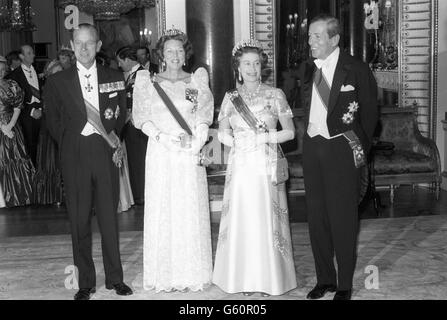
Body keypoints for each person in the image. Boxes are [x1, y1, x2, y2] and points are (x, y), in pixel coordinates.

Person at [43, 23, 133, 300]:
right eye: (78, 43)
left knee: (108, 220)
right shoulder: (58, 81)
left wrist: (112, 137)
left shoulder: (114, 76)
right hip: (75, 155)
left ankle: (115, 279)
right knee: (79, 221)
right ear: (72, 45)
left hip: (105, 153)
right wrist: (72, 142)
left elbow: (120, 115)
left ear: (97, 46)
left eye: (89, 43)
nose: (83, 48)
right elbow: (52, 121)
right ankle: (85, 282)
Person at [299, 14, 378, 300]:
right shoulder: (307, 69)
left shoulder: (356, 69)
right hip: (313, 148)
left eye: (317, 36)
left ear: (334, 39)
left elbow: (370, 115)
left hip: (342, 149)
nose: (311, 41)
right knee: (316, 216)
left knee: (343, 218)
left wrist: (357, 148)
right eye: (309, 36)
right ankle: (325, 279)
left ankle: (344, 284)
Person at [212, 40, 297, 296]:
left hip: (265, 163)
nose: (252, 68)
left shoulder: (276, 94)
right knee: (243, 218)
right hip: (241, 166)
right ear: (237, 67)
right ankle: (241, 278)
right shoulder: (230, 97)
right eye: (247, 63)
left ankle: (268, 279)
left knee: (264, 218)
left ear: (263, 67)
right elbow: (222, 134)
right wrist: (235, 140)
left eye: (256, 63)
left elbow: (291, 133)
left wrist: (264, 138)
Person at [132, 29, 214, 292]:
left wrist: (199, 137)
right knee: (164, 209)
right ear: (161, 55)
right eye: (170, 51)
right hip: (161, 151)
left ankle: (191, 273)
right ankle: (164, 274)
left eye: (180, 50)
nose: (175, 55)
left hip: (189, 152)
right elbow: (141, 116)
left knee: (188, 208)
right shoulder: (147, 80)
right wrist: (161, 137)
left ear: (185, 52)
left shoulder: (197, 80)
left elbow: (203, 112)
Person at [0, 55, 35, 207]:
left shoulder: (12, 84)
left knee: (15, 157)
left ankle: (18, 197)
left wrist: (9, 125)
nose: (1, 72)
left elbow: (18, 107)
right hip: (3, 125)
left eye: (2, 69)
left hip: (11, 124)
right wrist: (2, 127)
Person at [116, 46, 147, 205]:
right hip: (130, 125)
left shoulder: (142, 74)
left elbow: (141, 100)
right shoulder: (132, 75)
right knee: (134, 160)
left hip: (137, 125)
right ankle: (138, 193)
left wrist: (129, 116)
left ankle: (141, 194)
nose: (119, 65)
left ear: (127, 59)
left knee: (139, 160)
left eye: (120, 61)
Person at [33, 61, 65, 205]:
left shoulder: (66, 85)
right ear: (49, 74)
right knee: (51, 160)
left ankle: (64, 195)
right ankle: (54, 195)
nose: (59, 74)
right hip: (50, 127)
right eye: (56, 72)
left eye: (61, 71)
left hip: (63, 125)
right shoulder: (48, 88)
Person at [6, 45, 43, 166]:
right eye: (29, 53)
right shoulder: (14, 76)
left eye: (32, 52)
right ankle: (31, 171)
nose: (33, 55)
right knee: (29, 145)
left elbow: (40, 93)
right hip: (25, 115)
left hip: (40, 112)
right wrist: (32, 111)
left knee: (41, 144)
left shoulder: (35, 69)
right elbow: (14, 102)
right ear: (21, 56)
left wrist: (40, 108)